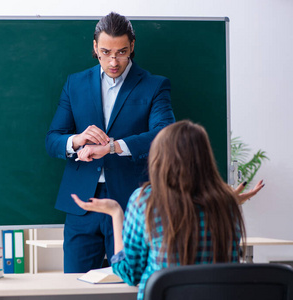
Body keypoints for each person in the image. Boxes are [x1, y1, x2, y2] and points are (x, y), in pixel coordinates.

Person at [72, 120, 265, 300]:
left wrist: (115, 213)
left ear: (160, 157)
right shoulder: (225, 204)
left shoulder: (146, 200)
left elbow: (130, 273)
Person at [45, 12, 175, 273]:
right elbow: (52, 140)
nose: (113, 61)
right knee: (75, 287)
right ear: (95, 47)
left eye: (122, 52)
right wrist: (76, 139)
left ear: (132, 47)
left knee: (129, 283)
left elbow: (166, 135)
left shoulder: (154, 85)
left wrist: (112, 146)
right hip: (82, 204)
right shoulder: (75, 84)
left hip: (133, 205)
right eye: (105, 52)